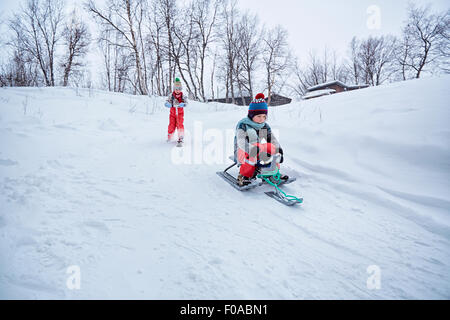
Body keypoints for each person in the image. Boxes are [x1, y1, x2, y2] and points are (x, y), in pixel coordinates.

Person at [234, 93, 288, 187]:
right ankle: (244, 176)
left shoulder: (264, 126)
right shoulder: (243, 125)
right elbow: (241, 142)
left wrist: (278, 150)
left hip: (257, 149)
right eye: (258, 116)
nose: (261, 119)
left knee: (272, 148)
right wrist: (252, 150)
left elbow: (272, 139)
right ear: (251, 115)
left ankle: (273, 173)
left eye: (264, 116)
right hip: (243, 150)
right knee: (252, 155)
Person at [165, 78, 188, 143]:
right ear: (174, 89)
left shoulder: (183, 96)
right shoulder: (171, 95)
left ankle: (180, 137)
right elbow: (167, 101)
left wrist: (183, 104)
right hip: (172, 114)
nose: (178, 91)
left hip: (180, 114)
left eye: (179, 89)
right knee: (171, 125)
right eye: (176, 89)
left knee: (180, 124)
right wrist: (167, 104)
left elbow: (186, 103)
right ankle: (170, 136)